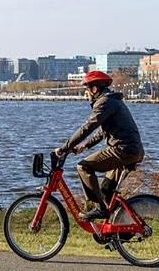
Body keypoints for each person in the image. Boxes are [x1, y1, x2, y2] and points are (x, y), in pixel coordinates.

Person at [54, 71, 145, 221]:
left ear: (95, 89)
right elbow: (102, 132)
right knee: (106, 191)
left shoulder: (104, 102)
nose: (86, 93)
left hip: (123, 150)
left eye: (87, 89)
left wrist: (64, 147)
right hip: (132, 151)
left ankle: (100, 209)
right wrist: (84, 146)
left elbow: (88, 127)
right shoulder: (112, 101)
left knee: (84, 167)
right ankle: (118, 232)